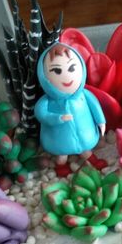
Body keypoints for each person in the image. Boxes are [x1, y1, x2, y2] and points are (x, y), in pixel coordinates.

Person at [35, 43, 107, 177]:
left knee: (85, 150)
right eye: (57, 71)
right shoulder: (47, 101)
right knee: (62, 154)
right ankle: (61, 166)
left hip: (85, 134)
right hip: (59, 139)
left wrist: (101, 121)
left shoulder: (84, 94)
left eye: (72, 68)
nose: (66, 76)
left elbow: (95, 106)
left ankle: (93, 160)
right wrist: (57, 118)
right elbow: (41, 114)